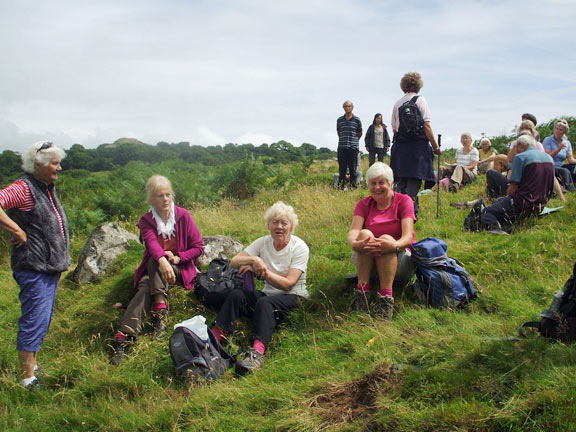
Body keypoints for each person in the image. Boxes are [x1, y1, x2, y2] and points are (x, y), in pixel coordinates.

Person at [110, 175, 204, 365]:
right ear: (151, 199)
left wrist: (178, 258)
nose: (165, 199)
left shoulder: (183, 216)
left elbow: (198, 246)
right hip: (157, 270)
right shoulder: (146, 220)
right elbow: (151, 243)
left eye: (168, 194)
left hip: (180, 269)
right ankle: (126, 335)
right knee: (150, 274)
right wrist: (163, 260)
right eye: (160, 195)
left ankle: (154, 314)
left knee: (157, 261)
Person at [210, 201, 309, 375]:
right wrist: (254, 261)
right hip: (268, 294)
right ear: (268, 225)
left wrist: (264, 272)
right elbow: (233, 262)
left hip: (294, 296)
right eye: (274, 222)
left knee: (264, 303)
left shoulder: (299, 247)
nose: (279, 227)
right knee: (237, 295)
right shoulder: (263, 243)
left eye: (284, 223)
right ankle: (215, 338)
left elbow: (289, 284)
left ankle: (257, 352)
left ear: (291, 227)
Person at [0, 141, 69, 390]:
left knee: (42, 318)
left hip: (48, 267)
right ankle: (27, 379)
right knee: (34, 318)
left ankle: (32, 364)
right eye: (54, 163)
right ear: (37, 164)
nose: (59, 168)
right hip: (33, 266)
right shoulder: (24, 188)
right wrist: (16, 229)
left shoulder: (44, 187)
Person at [347, 162, 415, 320]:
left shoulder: (404, 201)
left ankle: (386, 299)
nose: (377, 187)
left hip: (399, 259)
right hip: (369, 259)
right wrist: (355, 244)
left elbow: (408, 237)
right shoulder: (363, 204)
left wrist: (394, 245)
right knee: (364, 235)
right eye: (373, 183)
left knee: (385, 239)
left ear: (391, 184)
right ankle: (362, 294)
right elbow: (354, 231)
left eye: (381, 183)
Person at [481, 135, 555, 235]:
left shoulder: (520, 157)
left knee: (486, 211)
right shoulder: (549, 158)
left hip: (521, 203)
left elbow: (512, 188)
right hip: (540, 206)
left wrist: (506, 198)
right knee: (500, 203)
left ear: (521, 145)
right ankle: (508, 225)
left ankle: (496, 229)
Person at [390, 72, 440, 216]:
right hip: (417, 146)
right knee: (414, 179)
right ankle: (410, 211)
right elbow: (426, 126)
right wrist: (435, 147)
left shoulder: (397, 103)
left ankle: (402, 210)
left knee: (402, 180)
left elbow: (395, 128)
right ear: (418, 85)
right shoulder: (421, 100)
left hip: (401, 146)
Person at [543, 120, 576, 191]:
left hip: (561, 165)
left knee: (574, 167)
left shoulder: (567, 143)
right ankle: (570, 189)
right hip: (551, 165)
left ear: (564, 132)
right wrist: (558, 149)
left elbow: (571, 160)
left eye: (560, 130)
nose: (558, 131)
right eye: (556, 129)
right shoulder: (548, 140)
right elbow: (547, 156)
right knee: (565, 171)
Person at [336, 100, 362, 189]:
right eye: (345, 106)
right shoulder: (339, 120)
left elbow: (359, 133)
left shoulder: (357, 120)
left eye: (349, 106)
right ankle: (341, 186)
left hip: (353, 147)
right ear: (343, 108)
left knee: (353, 169)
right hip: (342, 147)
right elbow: (339, 132)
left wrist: (353, 141)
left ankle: (353, 187)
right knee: (342, 169)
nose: (347, 108)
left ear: (352, 107)